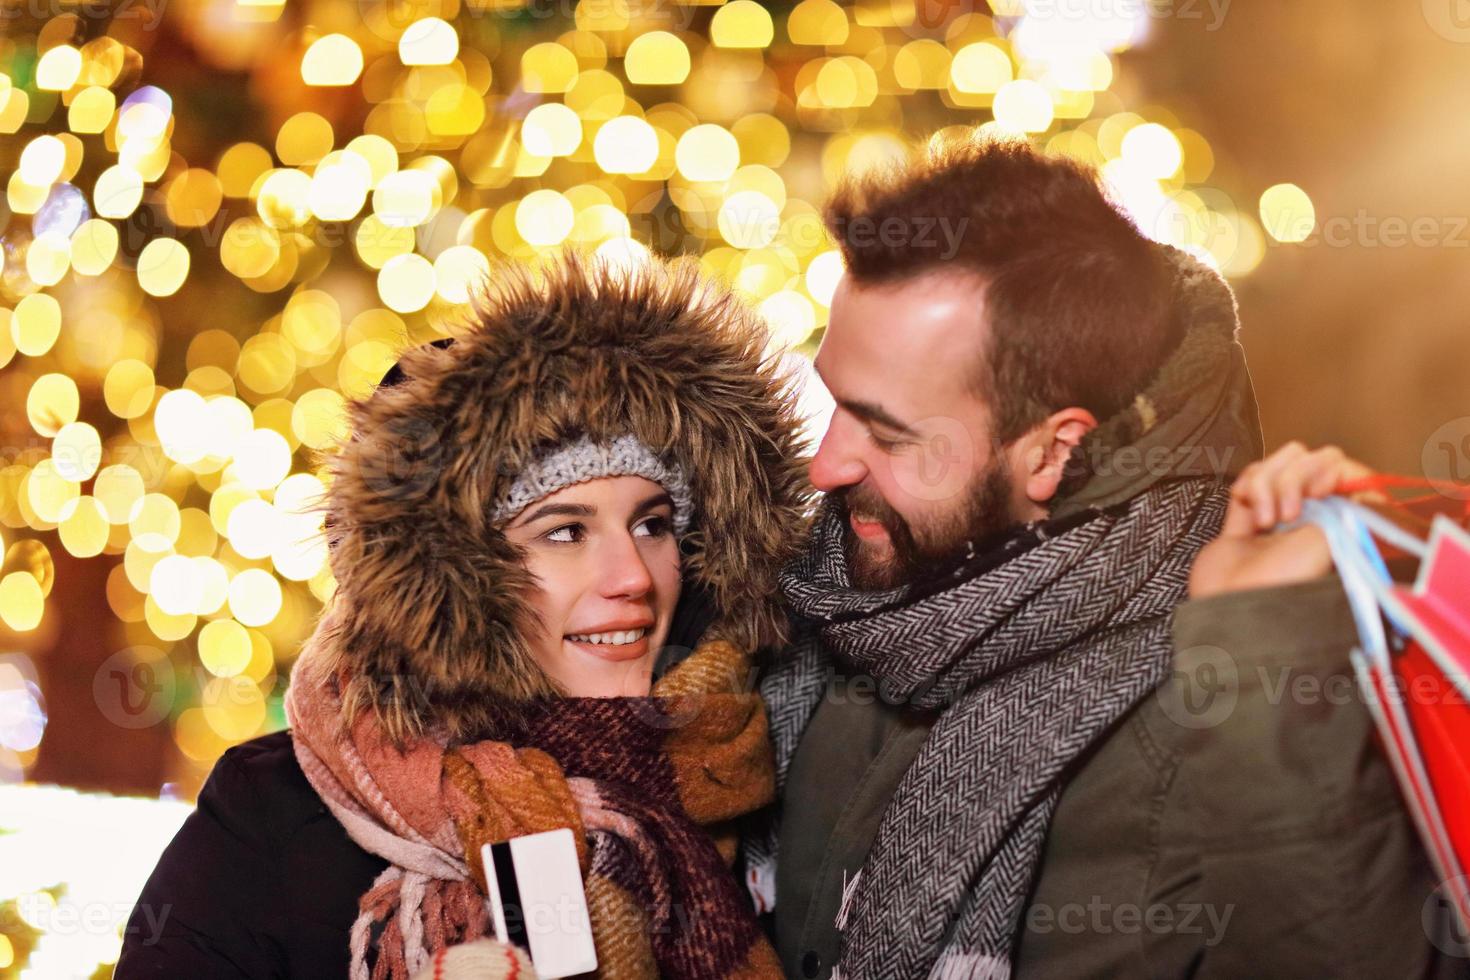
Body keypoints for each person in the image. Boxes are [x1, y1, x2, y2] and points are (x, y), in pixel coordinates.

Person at [748, 137, 1461, 978]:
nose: (825, 466)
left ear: (1051, 452)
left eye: (889, 432)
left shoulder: (1232, 697)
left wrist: (1262, 659)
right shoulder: (821, 595)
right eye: (833, 401)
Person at [114, 253, 811, 979]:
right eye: (565, 532)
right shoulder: (270, 821)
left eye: (653, 524)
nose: (631, 576)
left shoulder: (756, 770)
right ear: (450, 578)